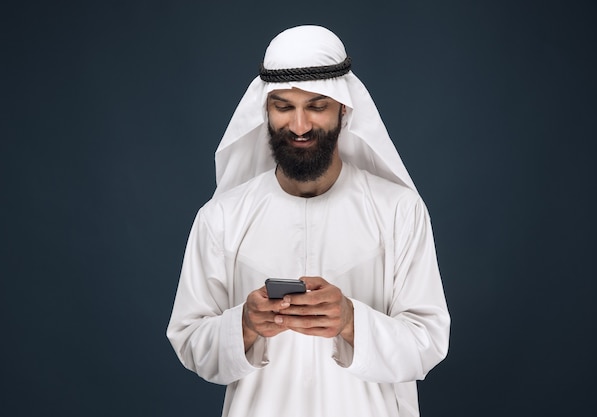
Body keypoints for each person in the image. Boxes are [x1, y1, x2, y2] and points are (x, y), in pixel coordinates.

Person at [167, 25, 450, 417]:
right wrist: (245, 325)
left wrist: (351, 322)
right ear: (264, 111)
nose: (299, 126)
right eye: (283, 107)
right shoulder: (222, 217)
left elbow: (429, 342)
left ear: (344, 110)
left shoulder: (399, 211)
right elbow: (189, 340)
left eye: (317, 106)